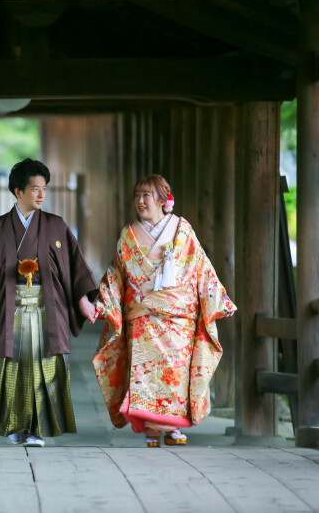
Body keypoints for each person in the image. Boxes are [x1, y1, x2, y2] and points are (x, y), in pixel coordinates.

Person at [0, 159, 98, 447]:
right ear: (18, 191)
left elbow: (74, 267)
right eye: (35, 188)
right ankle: (16, 424)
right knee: (15, 367)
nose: (41, 194)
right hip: (12, 309)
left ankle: (38, 429)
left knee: (46, 367)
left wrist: (83, 299)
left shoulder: (56, 226)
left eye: (44, 188)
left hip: (50, 308)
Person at [92, 174, 236, 447]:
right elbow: (116, 274)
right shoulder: (128, 235)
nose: (140, 201)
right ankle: (152, 429)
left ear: (162, 200)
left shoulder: (183, 230)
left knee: (175, 376)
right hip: (143, 321)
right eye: (137, 195)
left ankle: (173, 427)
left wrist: (218, 299)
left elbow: (201, 267)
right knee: (145, 377)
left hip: (178, 322)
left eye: (146, 195)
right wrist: (103, 303)